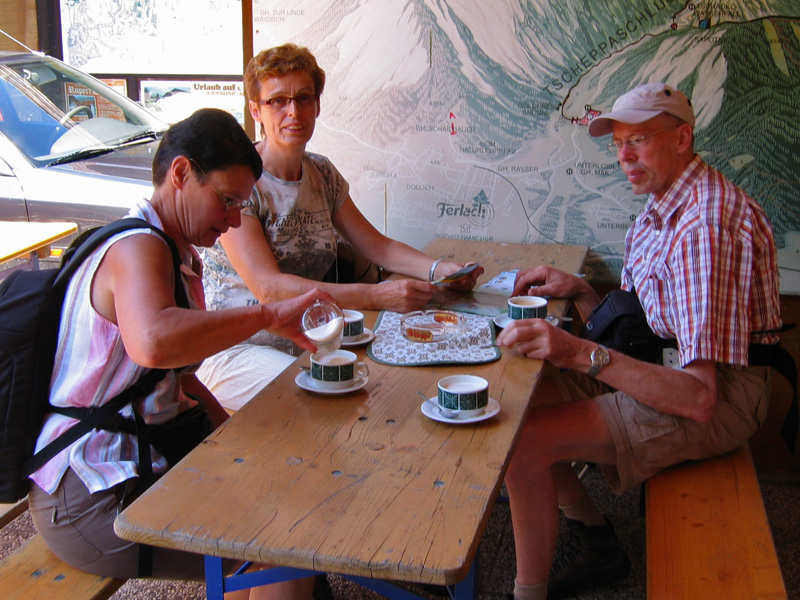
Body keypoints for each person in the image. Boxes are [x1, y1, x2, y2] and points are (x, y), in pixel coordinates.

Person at [28, 108, 329, 600]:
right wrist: (269, 315)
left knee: (284, 487)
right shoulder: (137, 248)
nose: (234, 220)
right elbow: (154, 342)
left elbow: (178, 379)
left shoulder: (170, 250)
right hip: (90, 499)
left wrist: (232, 440)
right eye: (228, 201)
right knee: (284, 534)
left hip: (141, 464)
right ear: (182, 173)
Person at [496, 82, 781, 600]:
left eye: (640, 141)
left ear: (681, 138)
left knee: (526, 445)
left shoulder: (703, 227)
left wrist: (578, 352)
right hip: (668, 365)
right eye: (619, 144)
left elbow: (699, 398)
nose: (625, 157)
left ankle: (526, 592)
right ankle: (597, 541)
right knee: (527, 400)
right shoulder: (663, 202)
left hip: (723, 396)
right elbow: (643, 323)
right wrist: (582, 291)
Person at [199, 43, 483, 412]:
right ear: (256, 110)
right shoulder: (243, 185)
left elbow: (377, 247)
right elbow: (269, 289)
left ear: (317, 105)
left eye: (304, 98)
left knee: (400, 381)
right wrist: (376, 296)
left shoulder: (322, 173)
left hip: (312, 338)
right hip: (242, 349)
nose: (293, 111)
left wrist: (440, 270)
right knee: (327, 404)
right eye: (278, 101)